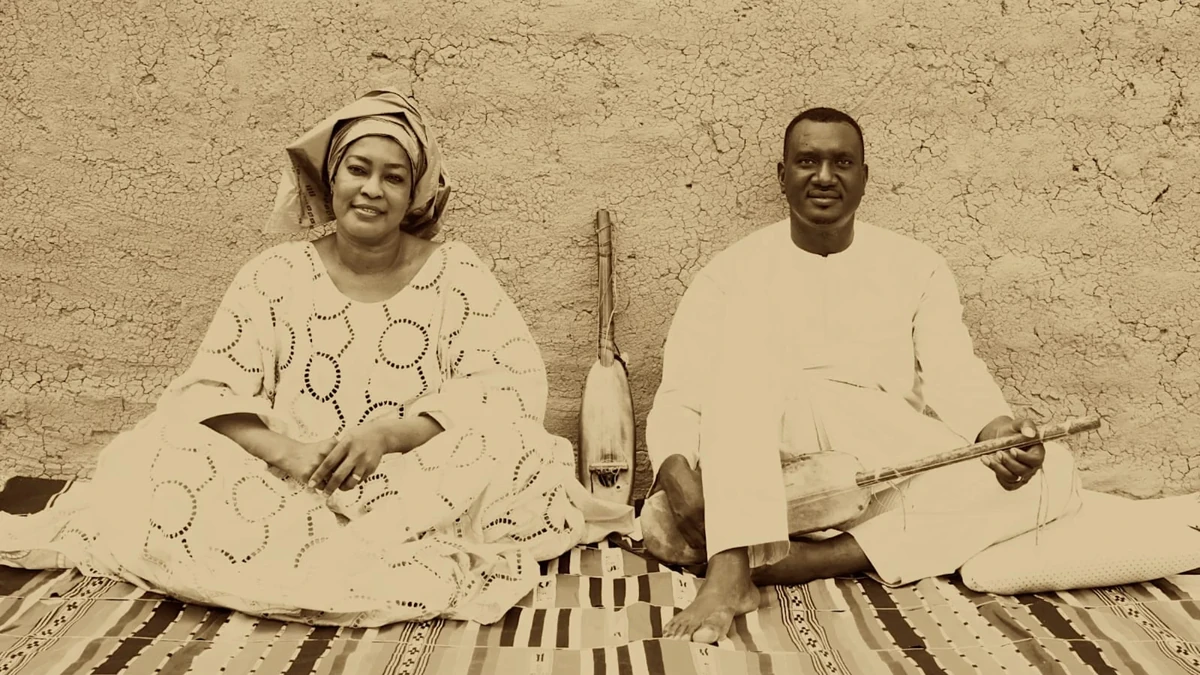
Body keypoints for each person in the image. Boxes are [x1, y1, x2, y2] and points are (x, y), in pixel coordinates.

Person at [0, 88, 633, 627]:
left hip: (418, 479)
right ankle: (328, 554)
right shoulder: (275, 275)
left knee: (517, 448)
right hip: (291, 480)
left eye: (394, 176)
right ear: (331, 177)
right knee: (161, 445)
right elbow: (208, 392)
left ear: (414, 192)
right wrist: (290, 453)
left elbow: (506, 387)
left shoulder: (456, 274)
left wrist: (388, 436)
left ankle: (333, 553)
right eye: (358, 169)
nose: (372, 190)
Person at [638, 107, 1082, 643]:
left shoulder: (917, 265)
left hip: (879, 454)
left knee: (1055, 479)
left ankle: (811, 559)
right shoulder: (730, 273)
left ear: (864, 177)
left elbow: (955, 371)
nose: (824, 177)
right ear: (783, 175)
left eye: (842, 162)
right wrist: (676, 472)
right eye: (807, 161)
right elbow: (682, 393)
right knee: (745, 371)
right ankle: (731, 567)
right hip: (763, 455)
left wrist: (998, 435)